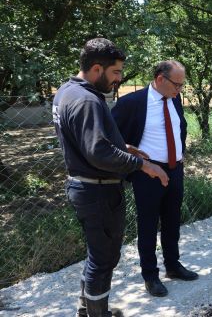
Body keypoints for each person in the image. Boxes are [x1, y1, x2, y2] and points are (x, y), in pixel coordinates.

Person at [52, 38, 168, 316]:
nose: (118, 79)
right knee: (104, 260)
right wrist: (142, 166)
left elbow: (87, 139)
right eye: (115, 72)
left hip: (84, 187)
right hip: (98, 191)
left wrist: (122, 146)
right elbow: (98, 152)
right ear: (96, 68)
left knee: (97, 255)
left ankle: (88, 309)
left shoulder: (66, 92)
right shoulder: (87, 100)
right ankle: (97, 313)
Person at [111, 60, 198, 298]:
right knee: (148, 225)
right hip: (146, 172)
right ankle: (150, 275)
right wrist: (135, 160)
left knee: (172, 220)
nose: (180, 90)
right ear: (160, 79)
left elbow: (177, 130)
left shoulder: (174, 99)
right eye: (177, 85)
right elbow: (112, 138)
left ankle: (173, 265)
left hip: (175, 169)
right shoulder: (132, 103)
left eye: (182, 85)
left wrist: (179, 156)